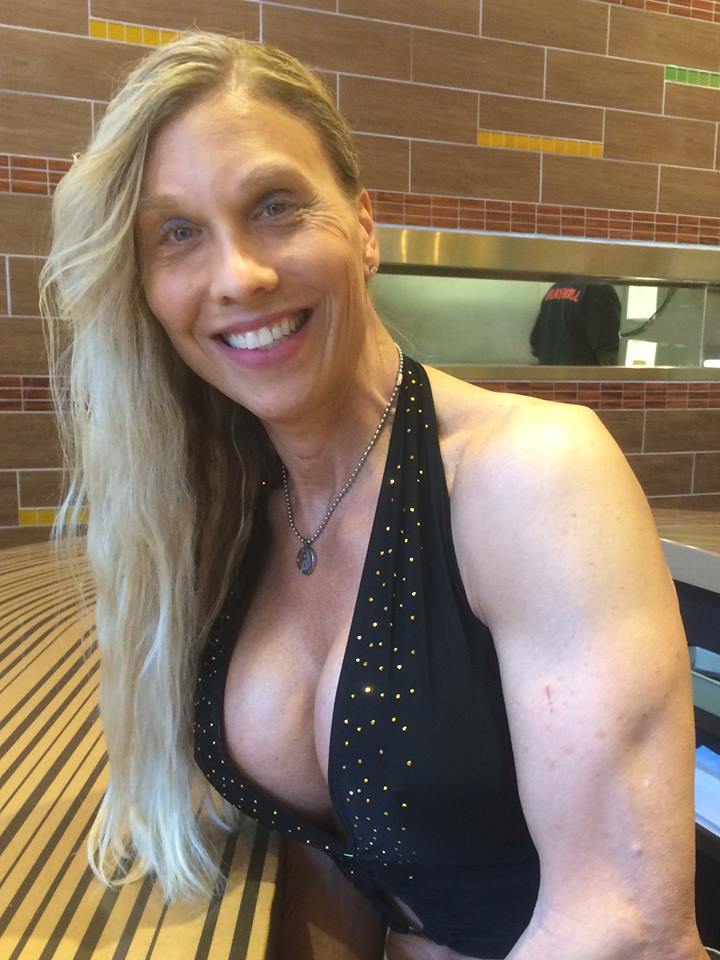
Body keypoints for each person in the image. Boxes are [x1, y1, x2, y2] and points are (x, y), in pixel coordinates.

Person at [41, 33, 708, 960]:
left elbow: (627, 927)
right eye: (178, 233)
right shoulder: (227, 506)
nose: (239, 276)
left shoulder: (532, 474)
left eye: (275, 206)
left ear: (363, 228)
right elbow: (334, 854)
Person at [530, 280, 621, 365]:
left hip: (548, 375)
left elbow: (535, 348)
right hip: (582, 375)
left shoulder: (555, 288)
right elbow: (608, 357)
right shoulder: (601, 290)